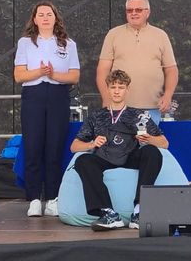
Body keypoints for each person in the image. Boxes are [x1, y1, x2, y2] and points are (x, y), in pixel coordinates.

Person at [71, 69, 169, 231]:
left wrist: (148, 139)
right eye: (113, 87)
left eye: (121, 87)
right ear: (108, 89)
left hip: (129, 156)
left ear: (127, 89)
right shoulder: (96, 116)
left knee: (152, 152)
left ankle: (139, 211)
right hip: (104, 157)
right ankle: (108, 213)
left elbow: (164, 143)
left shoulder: (138, 115)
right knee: (82, 160)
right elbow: (74, 146)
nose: (117, 91)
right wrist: (92, 144)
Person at [14, 1, 80, 217]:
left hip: (58, 96)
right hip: (33, 96)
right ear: (34, 19)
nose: (45, 18)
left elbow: (74, 76)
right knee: (33, 146)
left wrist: (53, 75)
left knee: (54, 147)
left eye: (49, 14)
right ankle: (34, 199)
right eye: (40, 14)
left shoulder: (68, 44)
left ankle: (52, 198)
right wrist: (40, 72)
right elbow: (19, 75)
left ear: (55, 18)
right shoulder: (25, 43)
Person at [96, 0, 178, 123]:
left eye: (138, 10)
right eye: (129, 10)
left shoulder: (161, 35)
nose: (133, 13)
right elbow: (102, 70)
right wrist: (106, 99)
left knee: (150, 138)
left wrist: (168, 96)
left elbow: (171, 70)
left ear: (148, 12)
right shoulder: (113, 34)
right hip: (119, 108)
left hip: (152, 109)